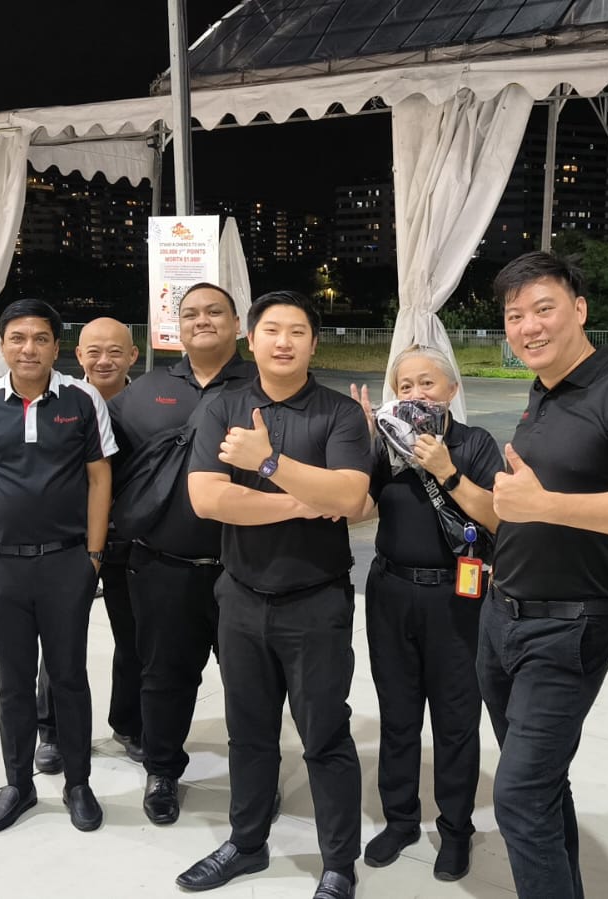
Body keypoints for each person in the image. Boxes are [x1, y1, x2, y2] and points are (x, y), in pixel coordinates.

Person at [484, 252, 608, 898]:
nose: (528, 327)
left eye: (543, 309)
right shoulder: (543, 392)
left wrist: (543, 505)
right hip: (500, 617)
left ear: (579, 309)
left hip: (567, 627)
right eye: (515, 315)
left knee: (517, 796)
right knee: (539, 786)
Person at [177, 290, 369, 899]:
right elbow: (207, 498)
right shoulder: (223, 406)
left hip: (316, 601)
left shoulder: (340, 413)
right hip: (239, 597)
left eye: (297, 331)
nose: (283, 342)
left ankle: (338, 863)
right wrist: (306, 500)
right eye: (272, 330)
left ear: (314, 343)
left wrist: (266, 463)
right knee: (249, 731)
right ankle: (246, 842)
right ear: (251, 338)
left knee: (325, 735)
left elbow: (351, 497)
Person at [0, 298, 117, 834]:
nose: (29, 349)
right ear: (2, 345)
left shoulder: (82, 400)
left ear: (56, 347)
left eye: (41, 338)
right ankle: (18, 784)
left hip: (66, 564)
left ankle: (78, 784)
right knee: (13, 682)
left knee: (69, 678)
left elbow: (100, 478)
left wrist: (93, 556)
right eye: (17, 338)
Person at [348, 345, 502, 881]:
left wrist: (447, 470)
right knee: (398, 714)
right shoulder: (385, 444)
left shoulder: (474, 443)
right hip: (390, 591)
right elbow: (356, 509)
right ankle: (400, 819)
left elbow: (499, 518)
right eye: (405, 386)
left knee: (456, 720)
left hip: (455, 597)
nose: (416, 394)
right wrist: (360, 443)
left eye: (428, 383)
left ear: (452, 390)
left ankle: (456, 830)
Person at [111, 283, 256, 825]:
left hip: (246, 571)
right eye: (190, 313)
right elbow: (101, 469)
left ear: (237, 324)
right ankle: (162, 770)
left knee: (251, 686)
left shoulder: (266, 386)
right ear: (176, 327)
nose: (202, 320)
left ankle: (255, 779)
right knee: (163, 678)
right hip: (163, 568)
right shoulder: (143, 393)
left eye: (215, 311)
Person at [31, 317, 145, 776]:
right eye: (93, 351)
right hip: (71, 542)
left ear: (133, 355)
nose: (104, 360)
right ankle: (52, 731)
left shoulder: (149, 405)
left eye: (115, 351)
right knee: (60, 640)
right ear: (77, 355)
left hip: (132, 541)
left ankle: (130, 724)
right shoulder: (58, 402)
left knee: (136, 638)